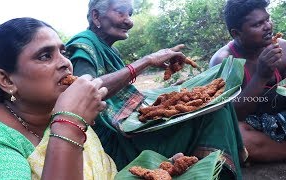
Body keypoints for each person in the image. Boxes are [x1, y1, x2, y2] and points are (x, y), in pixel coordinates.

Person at [65, 0, 247, 179]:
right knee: (215, 114)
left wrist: (156, 64)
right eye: (121, 12)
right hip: (116, 142)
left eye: (130, 14)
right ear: (96, 16)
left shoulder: (109, 49)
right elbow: (86, 90)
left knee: (218, 102)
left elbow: (121, 85)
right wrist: (147, 60)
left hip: (134, 128)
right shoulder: (84, 45)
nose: (129, 20)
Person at [0, 17, 118, 179]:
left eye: (63, 52)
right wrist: (69, 124)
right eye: (45, 56)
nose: (66, 62)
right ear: (7, 80)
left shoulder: (57, 111)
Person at [209, 0, 286, 163]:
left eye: (267, 19)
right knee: (237, 138)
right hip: (251, 125)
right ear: (236, 33)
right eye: (258, 24)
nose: (268, 26)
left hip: (280, 115)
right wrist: (261, 76)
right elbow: (232, 115)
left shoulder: (282, 48)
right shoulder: (223, 62)